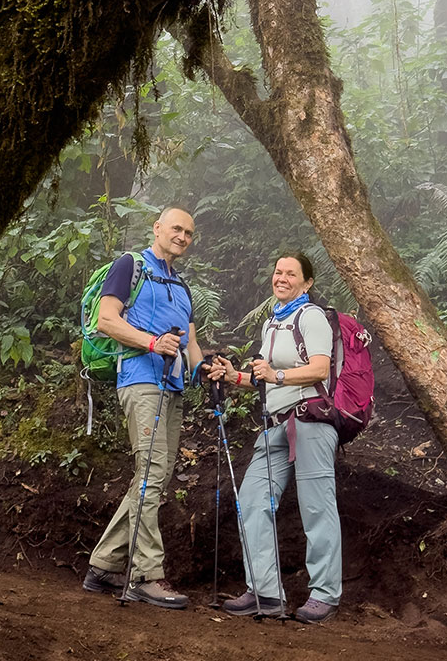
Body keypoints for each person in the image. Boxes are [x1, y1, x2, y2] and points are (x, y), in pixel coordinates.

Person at [209, 252, 342, 624]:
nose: (281, 278)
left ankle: (325, 594)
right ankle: (265, 591)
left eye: (291, 273)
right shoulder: (273, 323)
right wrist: (234, 375)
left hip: (310, 421)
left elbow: (319, 368)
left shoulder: (311, 316)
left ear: (307, 282)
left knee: (317, 508)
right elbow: (264, 377)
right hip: (276, 424)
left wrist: (277, 376)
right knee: (252, 500)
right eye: (278, 272)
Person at [82, 205, 203, 609]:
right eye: (176, 228)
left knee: (155, 476)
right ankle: (145, 575)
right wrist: (152, 342)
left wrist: (208, 370)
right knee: (151, 471)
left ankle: (102, 565)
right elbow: (106, 320)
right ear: (157, 228)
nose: (182, 236)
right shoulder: (130, 265)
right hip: (140, 379)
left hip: (172, 387)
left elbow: (190, 344)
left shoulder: (182, 288)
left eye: (188, 232)